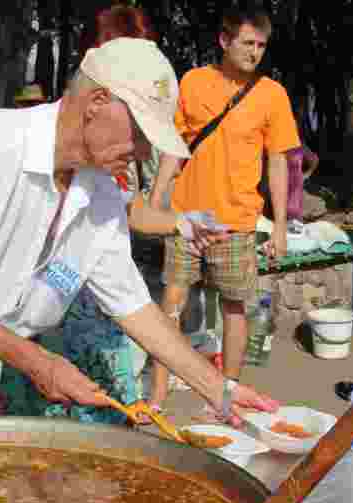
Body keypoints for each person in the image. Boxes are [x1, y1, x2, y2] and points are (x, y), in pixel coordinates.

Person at [0, 37, 279, 437]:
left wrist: (219, 389)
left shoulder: (100, 195)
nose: (143, 152)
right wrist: (41, 365)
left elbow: (134, 308)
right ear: (98, 101)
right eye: (140, 134)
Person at [0, 5, 163, 425]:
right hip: (45, 311)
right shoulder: (61, 135)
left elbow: (133, 215)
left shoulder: (126, 141)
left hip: (103, 298)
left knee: (108, 429)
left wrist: (219, 389)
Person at [145, 8, 300, 418]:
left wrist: (280, 226)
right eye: (248, 43)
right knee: (170, 307)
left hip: (237, 221)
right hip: (186, 218)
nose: (255, 53)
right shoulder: (193, 82)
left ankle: (223, 398)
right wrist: (157, 199)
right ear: (224, 41)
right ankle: (157, 397)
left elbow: (278, 162)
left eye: (262, 45)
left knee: (234, 308)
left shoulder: (272, 94)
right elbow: (173, 148)